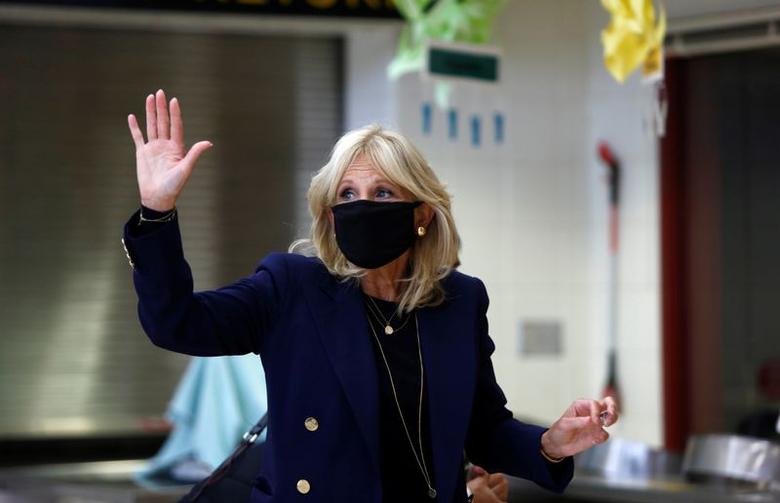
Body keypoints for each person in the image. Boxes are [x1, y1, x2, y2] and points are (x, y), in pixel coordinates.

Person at [122, 89, 618, 503]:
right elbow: (176, 323)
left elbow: (482, 428)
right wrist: (157, 211)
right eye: (347, 195)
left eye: (383, 194)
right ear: (330, 213)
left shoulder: (459, 302)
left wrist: (551, 444)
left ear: (421, 215)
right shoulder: (291, 287)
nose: (362, 206)